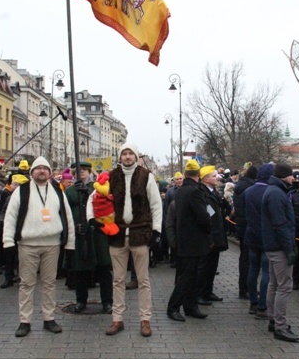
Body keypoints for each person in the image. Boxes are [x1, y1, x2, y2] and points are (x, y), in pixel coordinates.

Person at [88, 143, 162, 337]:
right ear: (120, 157)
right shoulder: (111, 176)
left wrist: (156, 230)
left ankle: (145, 319)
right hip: (117, 234)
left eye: (131, 154)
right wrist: (92, 219)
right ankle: (117, 319)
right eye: (124, 154)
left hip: (140, 233)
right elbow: (94, 197)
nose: (127, 157)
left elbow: (156, 204)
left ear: (136, 156)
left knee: (143, 280)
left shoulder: (146, 175)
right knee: (118, 280)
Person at [2, 156, 75, 338]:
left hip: (52, 244)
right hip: (28, 244)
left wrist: (70, 242)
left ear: (50, 173)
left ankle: (49, 318)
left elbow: (67, 217)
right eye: (38, 168)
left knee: (49, 283)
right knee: (27, 284)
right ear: (31, 172)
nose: (41, 171)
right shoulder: (22, 191)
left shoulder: (58, 191)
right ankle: (24, 321)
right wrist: (8, 241)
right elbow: (10, 217)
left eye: (45, 168)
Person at [64, 161, 113, 314]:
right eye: (79, 171)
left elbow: (105, 205)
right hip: (80, 234)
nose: (82, 173)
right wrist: (74, 226)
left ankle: (107, 301)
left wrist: (87, 192)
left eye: (85, 170)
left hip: (97, 234)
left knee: (103, 268)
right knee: (80, 271)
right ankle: (81, 300)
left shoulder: (97, 188)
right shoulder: (69, 192)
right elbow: (65, 213)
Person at [167, 159, 211, 322]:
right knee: (187, 278)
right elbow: (203, 217)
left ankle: (190, 306)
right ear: (199, 175)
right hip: (194, 240)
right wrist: (208, 229)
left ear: (185, 174)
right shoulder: (194, 191)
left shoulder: (180, 190)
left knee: (190, 277)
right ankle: (173, 307)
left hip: (184, 240)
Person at [261, 163, 299, 342]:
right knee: (284, 286)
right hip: (279, 247)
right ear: (285, 176)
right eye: (291, 175)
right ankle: (280, 325)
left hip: (273, 245)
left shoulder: (273, 191)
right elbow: (280, 224)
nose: (293, 178)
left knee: (274, 285)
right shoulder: (276, 193)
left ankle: (273, 319)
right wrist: (289, 247)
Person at [244, 163, 274, 317]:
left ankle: (253, 303)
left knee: (253, 270)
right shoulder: (270, 192)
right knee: (266, 272)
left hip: (251, 235)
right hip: (266, 237)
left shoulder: (248, 191)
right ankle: (262, 305)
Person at [197, 165, 228, 304]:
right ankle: (200, 293)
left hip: (216, 233)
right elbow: (207, 214)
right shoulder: (202, 193)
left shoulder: (213, 191)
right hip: (208, 235)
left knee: (212, 266)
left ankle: (208, 291)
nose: (217, 178)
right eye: (214, 176)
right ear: (205, 179)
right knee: (204, 266)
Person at [234, 165, 257, 299]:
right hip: (248, 227)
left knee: (244, 258)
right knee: (247, 260)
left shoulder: (240, 186)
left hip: (241, 227)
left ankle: (245, 287)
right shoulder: (249, 188)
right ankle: (245, 288)